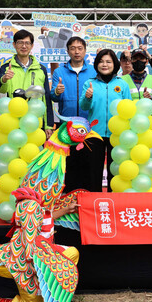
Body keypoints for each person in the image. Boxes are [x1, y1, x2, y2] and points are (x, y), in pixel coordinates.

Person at [79, 49, 132, 192]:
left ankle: (113, 202)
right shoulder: (90, 83)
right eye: (101, 61)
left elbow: (129, 109)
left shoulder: (122, 84)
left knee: (115, 171)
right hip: (95, 134)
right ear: (96, 64)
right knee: (93, 171)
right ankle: (94, 203)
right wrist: (87, 97)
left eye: (108, 61)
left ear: (115, 64)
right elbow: (83, 106)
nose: (105, 65)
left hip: (118, 135)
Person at [50, 37, 97, 192]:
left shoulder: (94, 71)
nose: (76, 51)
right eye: (73, 48)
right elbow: (53, 96)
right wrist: (57, 91)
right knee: (69, 164)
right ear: (68, 51)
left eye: (80, 48)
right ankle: (69, 198)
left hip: (89, 126)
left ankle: (88, 198)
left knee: (89, 163)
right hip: (67, 126)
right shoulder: (59, 72)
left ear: (85, 50)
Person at [0, 29, 54, 138]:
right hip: (13, 120)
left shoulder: (41, 69)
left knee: (34, 152)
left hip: (35, 120)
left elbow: (46, 97)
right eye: (20, 43)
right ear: (14, 44)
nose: (24, 46)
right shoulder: (6, 67)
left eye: (27, 43)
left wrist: (48, 125)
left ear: (32, 46)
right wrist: (4, 79)